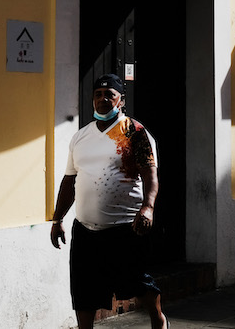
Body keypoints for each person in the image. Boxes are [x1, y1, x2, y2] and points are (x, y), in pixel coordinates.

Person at [50, 74, 166, 329]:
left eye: (109, 95)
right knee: (83, 289)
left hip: (125, 227)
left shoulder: (135, 133)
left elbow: (150, 174)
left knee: (136, 282)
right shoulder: (80, 137)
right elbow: (69, 181)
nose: (103, 99)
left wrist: (148, 207)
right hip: (86, 230)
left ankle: (158, 319)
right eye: (98, 95)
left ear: (121, 101)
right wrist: (57, 219)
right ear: (92, 99)